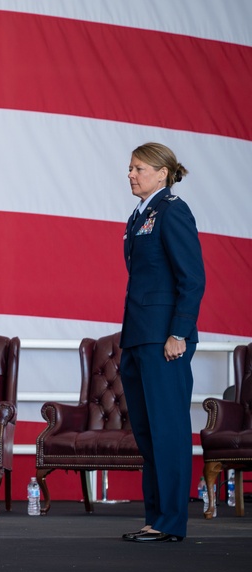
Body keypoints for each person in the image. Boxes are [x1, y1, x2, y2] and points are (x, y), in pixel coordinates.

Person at [119, 142, 205, 544]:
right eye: (131, 168)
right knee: (148, 433)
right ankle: (156, 519)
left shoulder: (173, 211)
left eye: (139, 168)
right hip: (138, 338)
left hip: (164, 340)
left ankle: (170, 521)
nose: (132, 174)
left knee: (168, 431)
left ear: (162, 172)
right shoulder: (139, 216)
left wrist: (179, 332)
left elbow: (192, 278)